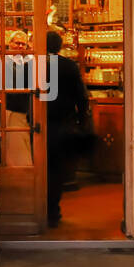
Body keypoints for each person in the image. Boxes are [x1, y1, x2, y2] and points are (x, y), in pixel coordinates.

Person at [45, 30, 89, 227]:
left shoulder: (32, 65)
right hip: (63, 122)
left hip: (37, 124)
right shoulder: (69, 65)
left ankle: (38, 209)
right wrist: (81, 119)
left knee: (39, 168)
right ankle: (53, 211)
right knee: (56, 169)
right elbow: (81, 95)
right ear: (60, 46)